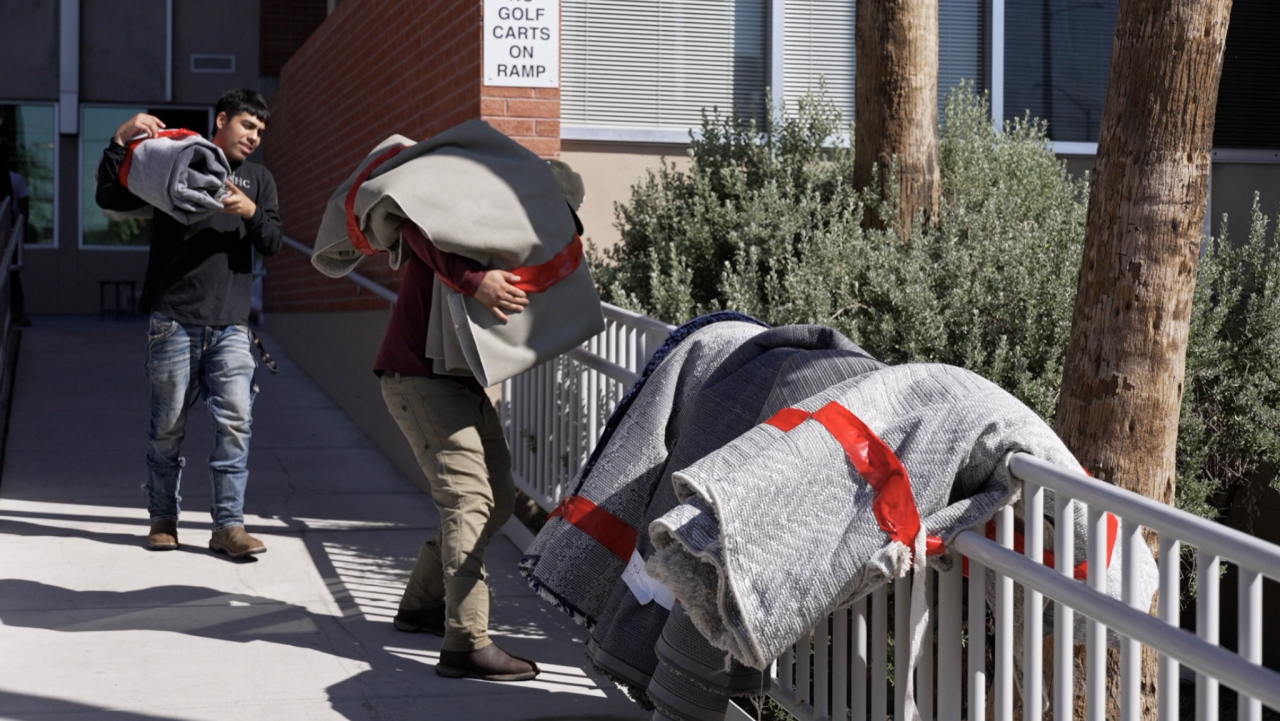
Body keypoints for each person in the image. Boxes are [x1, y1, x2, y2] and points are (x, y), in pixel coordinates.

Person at [376, 197, 582, 682]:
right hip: (419, 379)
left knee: (499, 501)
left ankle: (421, 606)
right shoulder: (467, 225)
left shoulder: (507, 249)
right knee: (468, 501)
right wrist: (475, 281)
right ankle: (466, 642)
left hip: (460, 384)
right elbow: (411, 225)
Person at [95, 88, 282, 557]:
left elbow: (275, 241)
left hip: (233, 325)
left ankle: (228, 526)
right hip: (174, 318)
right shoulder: (177, 160)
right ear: (222, 120)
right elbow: (109, 193)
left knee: (235, 423)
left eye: (260, 131)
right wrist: (120, 137)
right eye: (247, 126)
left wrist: (252, 212)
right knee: (167, 427)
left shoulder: (259, 180)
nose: (254, 137)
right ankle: (163, 519)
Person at [0, 145, 30, 327]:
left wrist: (22, 232)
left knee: (11, 274)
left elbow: (24, 206)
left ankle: (17, 312)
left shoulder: (14, 179)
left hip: (9, 234)